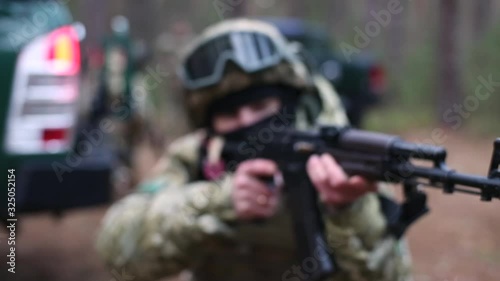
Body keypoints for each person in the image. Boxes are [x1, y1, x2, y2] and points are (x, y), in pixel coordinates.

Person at [96, 19, 412, 281]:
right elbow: (118, 251)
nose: (247, 122)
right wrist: (218, 202)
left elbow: (394, 274)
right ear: (210, 123)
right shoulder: (196, 157)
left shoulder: (337, 159)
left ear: (287, 103)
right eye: (230, 114)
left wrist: (347, 211)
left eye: (260, 106)